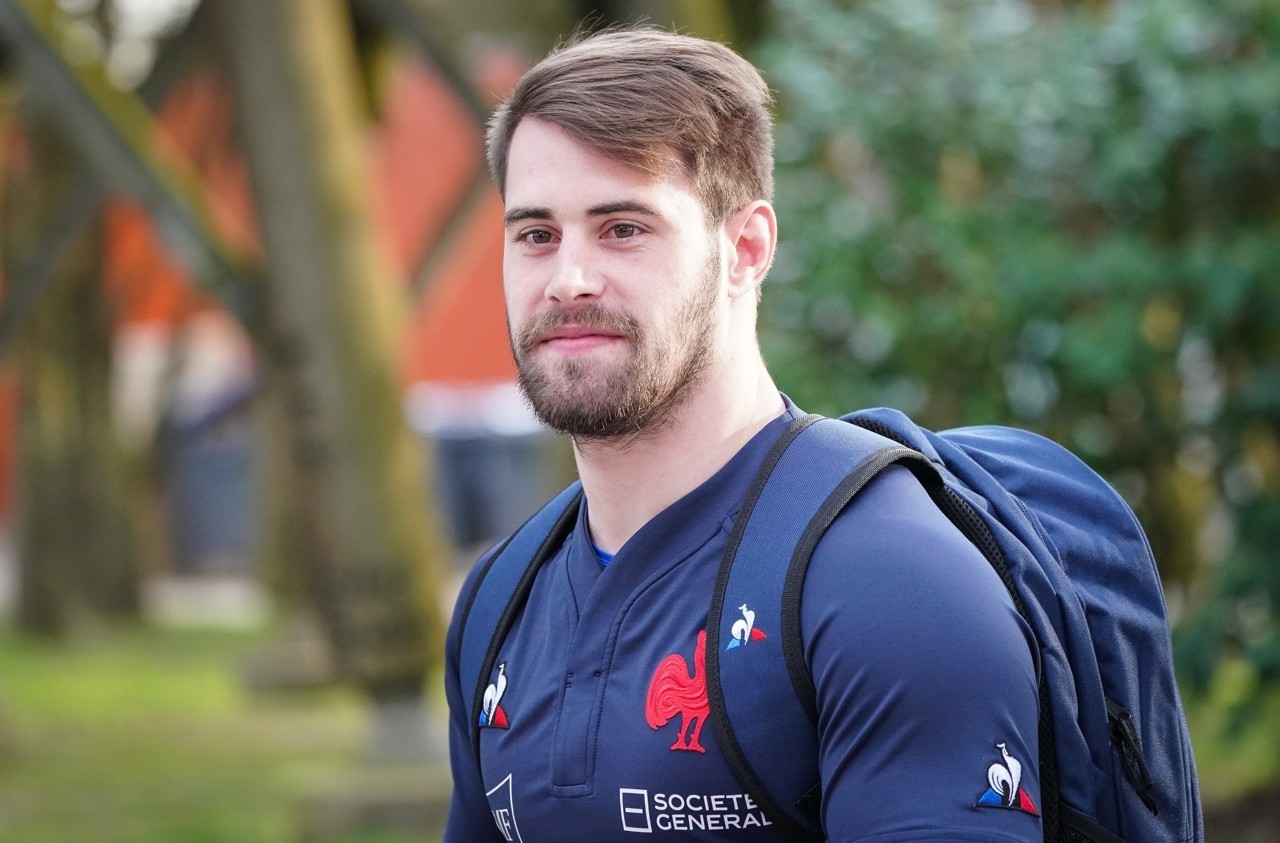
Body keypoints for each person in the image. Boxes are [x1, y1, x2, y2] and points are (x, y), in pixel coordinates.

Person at [444, 27, 1040, 842]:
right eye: (536, 235)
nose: (567, 280)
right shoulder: (500, 598)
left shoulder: (889, 581)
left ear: (746, 248)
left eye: (623, 227)